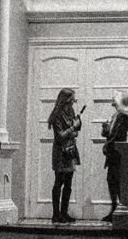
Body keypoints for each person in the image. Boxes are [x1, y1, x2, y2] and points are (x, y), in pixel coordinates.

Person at [47, 88, 82, 223]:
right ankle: (56, 214)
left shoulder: (70, 112)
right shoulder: (57, 115)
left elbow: (74, 132)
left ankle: (64, 212)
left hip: (71, 150)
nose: (73, 102)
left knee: (68, 183)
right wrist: (73, 129)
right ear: (66, 100)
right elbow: (60, 136)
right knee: (59, 182)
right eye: (72, 99)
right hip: (61, 152)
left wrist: (76, 126)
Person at [100, 91, 128, 222]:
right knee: (112, 181)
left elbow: (119, 135)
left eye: (115, 96)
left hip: (118, 155)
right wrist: (106, 129)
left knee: (116, 181)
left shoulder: (124, 116)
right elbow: (110, 134)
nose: (112, 98)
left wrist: (107, 144)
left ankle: (119, 210)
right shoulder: (116, 115)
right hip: (114, 155)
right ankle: (115, 209)